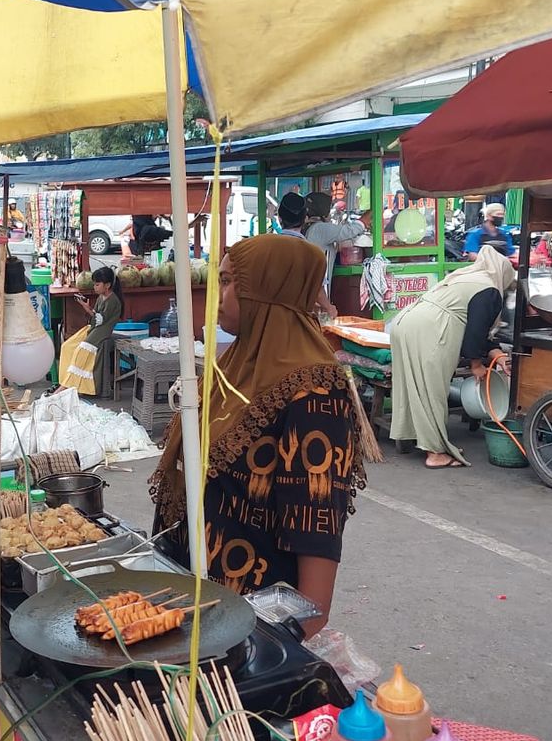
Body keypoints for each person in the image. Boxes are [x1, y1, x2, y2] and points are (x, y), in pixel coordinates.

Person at [148, 235, 368, 637]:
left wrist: (286, 639)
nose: (219, 293)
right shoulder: (234, 365)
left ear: (267, 291)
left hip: (247, 626)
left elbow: (315, 531)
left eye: (230, 282)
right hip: (188, 605)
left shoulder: (314, 393)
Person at [389, 245, 516, 469]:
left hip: (405, 323)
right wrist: (476, 365)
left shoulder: (468, 277)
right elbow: (475, 331)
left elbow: (480, 331)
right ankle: (435, 453)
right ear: (502, 273)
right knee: (433, 391)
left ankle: (427, 442)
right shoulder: (489, 289)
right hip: (430, 329)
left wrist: (498, 354)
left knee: (412, 387)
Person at [60, 265, 123, 396]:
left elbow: (100, 320)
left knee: (81, 351)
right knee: (68, 346)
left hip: (102, 331)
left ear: (107, 285)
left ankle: (68, 387)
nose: (95, 287)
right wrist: (86, 307)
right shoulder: (101, 298)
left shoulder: (113, 301)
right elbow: (96, 317)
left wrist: (87, 309)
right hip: (95, 328)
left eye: (97, 284)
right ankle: (66, 382)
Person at [276, 192, 338, 319]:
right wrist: (329, 308)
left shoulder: (265, 248)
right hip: (297, 321)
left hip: (270, 321)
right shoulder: (313, 253)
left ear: (279, 218)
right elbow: (317, 290)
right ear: (305, 218)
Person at [305, 192, 365, 316]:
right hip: (318, 297)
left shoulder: (306, 228)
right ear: (325, 212)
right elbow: (351, 231)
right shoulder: (320, 228)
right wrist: (369, 216)